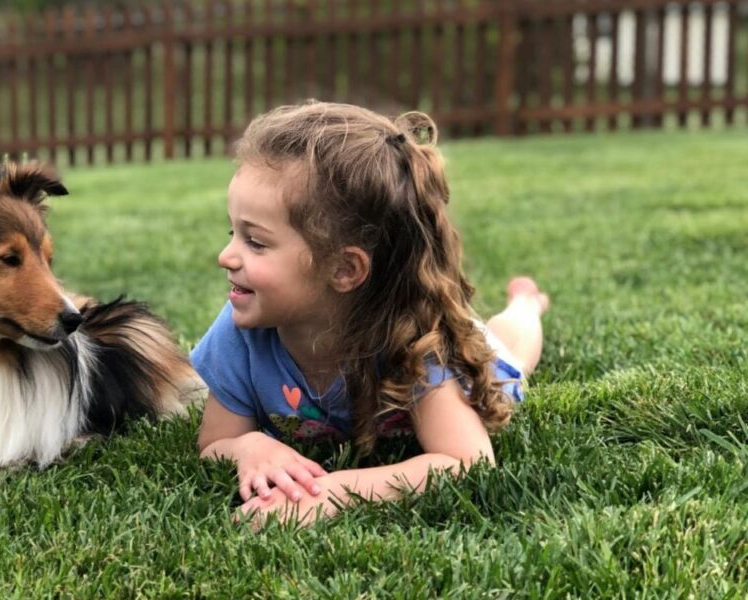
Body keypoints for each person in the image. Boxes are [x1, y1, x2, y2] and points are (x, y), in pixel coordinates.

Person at [191, 101, 550, 527]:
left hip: (466, 355)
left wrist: (331, 493)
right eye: (234, 232)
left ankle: (526, 304)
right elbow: (215, 442)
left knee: (509, 358)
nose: (225, 256)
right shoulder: (240, 332)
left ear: (344, 269)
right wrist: (249, 447)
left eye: (256, 242)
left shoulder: (415, 342)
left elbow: (466, 462)